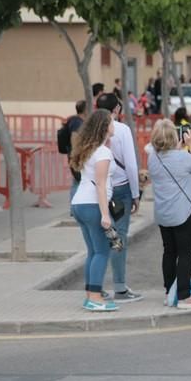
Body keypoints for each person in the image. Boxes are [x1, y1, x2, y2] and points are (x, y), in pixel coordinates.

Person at [146, 119, 191, 309]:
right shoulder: (183, 158)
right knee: (185, 254)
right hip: (183, 213)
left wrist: (176, 145)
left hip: (163, 214)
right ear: (175, 137)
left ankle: (169, 292)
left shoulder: (153, 158)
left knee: (169, 252)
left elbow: (160, 150)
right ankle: (184, 296)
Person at [95, 93, 142, 303]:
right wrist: (136, 193)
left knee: (99, 241)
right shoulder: (122, 129)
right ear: (116, 110)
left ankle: (96, 287)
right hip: (121, 189)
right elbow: (131, 165)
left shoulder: (91, 129)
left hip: (96, 190)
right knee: (118, 239)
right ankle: (120, 287)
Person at [69, 109, 117, 312]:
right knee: (102, 252)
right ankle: (96, 297)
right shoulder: (103, 153)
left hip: (79, 203)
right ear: (105, 127)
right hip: (93, 205)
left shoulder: (91, 149)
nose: (115, 125)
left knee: (93, 251)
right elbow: (100, 185)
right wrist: (105, 215)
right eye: (113, 122)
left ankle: (91, 293)